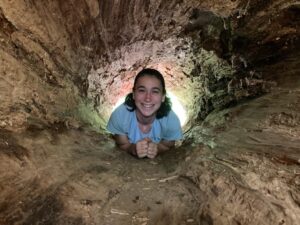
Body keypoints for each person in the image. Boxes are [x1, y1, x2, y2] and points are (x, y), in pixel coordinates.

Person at [107, 68, 182, 159]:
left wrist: (157, 149)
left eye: (155, 91)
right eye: (142, 90)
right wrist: (133, 148)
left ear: (163, 97)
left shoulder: (171, 121)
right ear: (134, 94)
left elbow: (167, 146)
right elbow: (122, 145)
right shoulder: (120, 116)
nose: (148, 98)